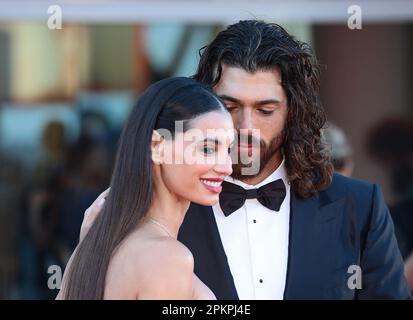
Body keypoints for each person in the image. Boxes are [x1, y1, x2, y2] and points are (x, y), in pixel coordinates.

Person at [79, 20, 410, 299]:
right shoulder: (156, 216)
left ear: (293, 111)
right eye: (230, 106)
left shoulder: (359, 207)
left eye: (265, 110)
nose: (245, 128)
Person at [56, 77, 234, 299]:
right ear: (158, 146)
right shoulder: (165, 257)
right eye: (208, 149)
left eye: (228, 150)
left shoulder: (99, 241)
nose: (227, 167)